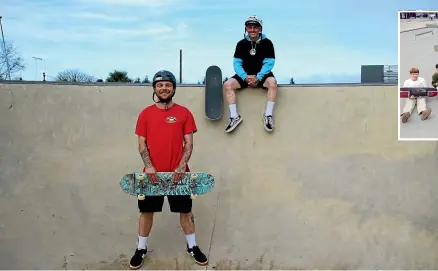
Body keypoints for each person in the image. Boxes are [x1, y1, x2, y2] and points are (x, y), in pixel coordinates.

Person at [130, 70, 208, 269]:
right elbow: (142, 144)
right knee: (147, 213)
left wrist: (181, 167)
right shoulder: (145, 114)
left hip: (179, 175)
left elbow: (189, 144)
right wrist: (149, 166)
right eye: (160, 85)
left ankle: (192, 246)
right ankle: (141, 248)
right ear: (154, 88)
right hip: (152, 175)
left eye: (168, 85)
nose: (164, 88)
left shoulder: (184, 113)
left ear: (174, 88)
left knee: (186, 212)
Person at [223, 15, 277, 133]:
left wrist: (259, 77)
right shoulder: (241, 44)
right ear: (246, 28)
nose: (252, 30)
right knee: (228, 84)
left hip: (262, 76)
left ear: (260, 29)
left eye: (255, 27)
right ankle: (234, 117)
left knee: (272, 83)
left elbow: (269, 63)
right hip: (245, 75)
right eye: (249, 27)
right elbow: (237, 63)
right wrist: (245, 76)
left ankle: (268, 116)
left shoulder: (267, 43)